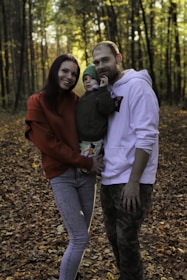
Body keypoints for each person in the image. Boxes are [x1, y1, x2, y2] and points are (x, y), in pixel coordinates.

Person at [25, 54, 103, 280]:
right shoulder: (37, 101)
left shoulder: (76, 100)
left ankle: (73, 274)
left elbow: (90, 128)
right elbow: (49, 145)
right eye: (65, 71)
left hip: (85, 175)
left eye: (74, 74)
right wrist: (87, 162)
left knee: (81, 235)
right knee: (80, 238)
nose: (69, 77)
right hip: (62, 176)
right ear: (54, 70)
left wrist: (97, 154)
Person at [92, 41, 159, 280]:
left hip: (132, 179)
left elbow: (147, 135)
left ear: (118, 58)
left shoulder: (138, 87)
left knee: (127, 239)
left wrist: (134, 182)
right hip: (110, 176)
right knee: (114, 238)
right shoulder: (107, 90)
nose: (101, 66)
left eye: (105, 60)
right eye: (96, 62)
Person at [76, 64, 122, 173]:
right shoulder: (82, 98)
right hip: (82, 139)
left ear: (98, 79)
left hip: (95, 138)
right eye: (85, 79)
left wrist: (103, 89)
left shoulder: (101, 94)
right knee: (83, 167)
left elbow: (107, 108)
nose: (88, 81)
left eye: (92, 78)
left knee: (90, 168)